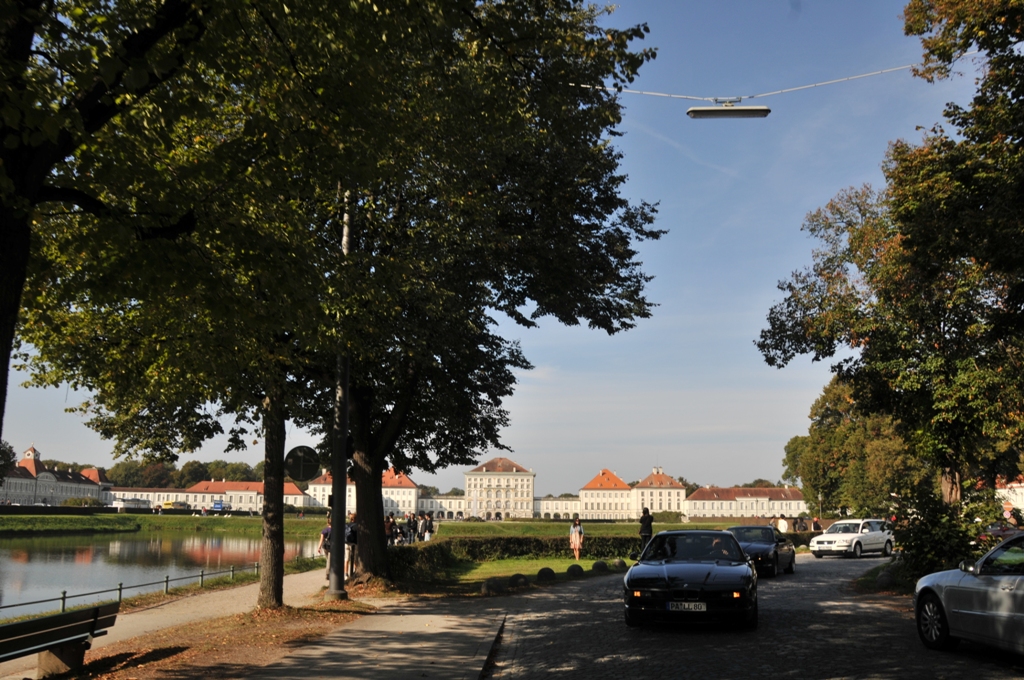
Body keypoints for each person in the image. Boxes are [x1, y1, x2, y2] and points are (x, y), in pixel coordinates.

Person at [344, 513, 358, 579]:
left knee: (346, 559)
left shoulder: (346, 525)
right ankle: (355, 572)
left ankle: (346, 574)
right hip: (354, 544)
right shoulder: (356, 526)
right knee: (355, 559)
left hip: (346, 543)